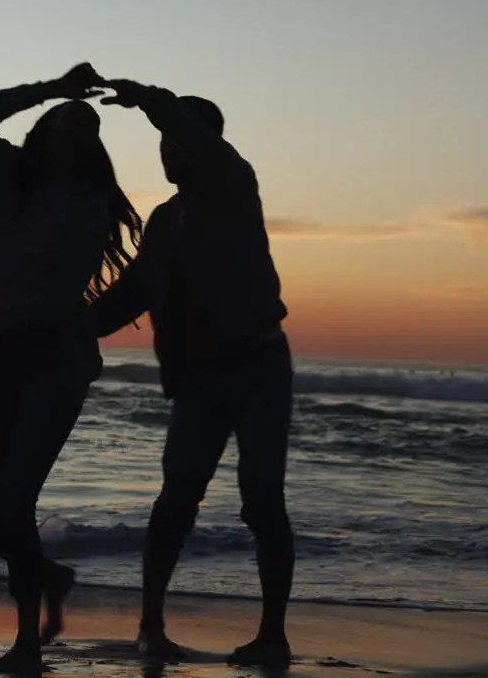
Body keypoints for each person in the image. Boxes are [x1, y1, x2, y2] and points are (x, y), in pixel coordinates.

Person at [0, 63, 144, 673]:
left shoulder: (87, 200)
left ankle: (24, 646)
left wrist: (71, 321)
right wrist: (52, 88)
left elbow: (48, 273)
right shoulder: (8, 183)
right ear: (42, 129)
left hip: (56, 361)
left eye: (88, 125)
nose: (77, 128)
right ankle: (46, 572)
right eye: (66, 119)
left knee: (15, 501)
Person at [89, 78, 296, 669]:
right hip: (200, 379)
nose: (167, 152)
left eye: (178, 143)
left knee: (262, 500)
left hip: (259, 366)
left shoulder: (234, 184)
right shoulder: (165, 219)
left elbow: (185, 131)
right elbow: (127, 296)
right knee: (177, 498)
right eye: (164, 146)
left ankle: (273, 636)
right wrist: (55, 326)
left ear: (203, 142)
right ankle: (151, 627)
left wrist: (149, 100)